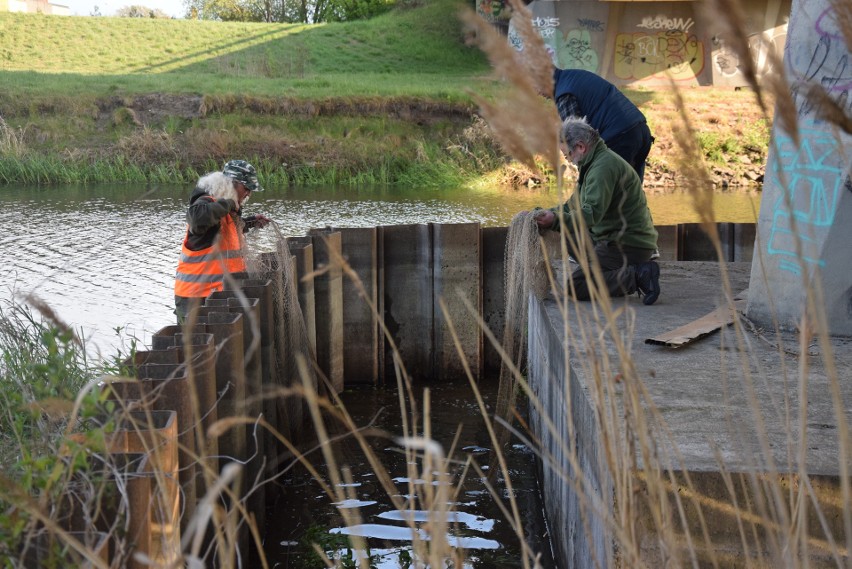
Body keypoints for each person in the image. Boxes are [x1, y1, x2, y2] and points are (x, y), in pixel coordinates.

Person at [532, 117, 661, 305]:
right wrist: (542, 213)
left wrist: (555, 221)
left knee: (575, 287)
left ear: (581, 147)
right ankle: (607, 270)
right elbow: (570, 207)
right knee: (566, 231)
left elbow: (590, 215)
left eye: (567, 155)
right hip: (611, 239)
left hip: (628, 244)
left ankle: (638, 274)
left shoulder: (602, 168)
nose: (568, 160)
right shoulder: (593, 164)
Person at [174, 159, 272, 323]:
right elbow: (197, 219)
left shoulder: (225, 210)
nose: (248, 194)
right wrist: (228, 202)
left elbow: (224, 234)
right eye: (246, 188)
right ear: (231, 183)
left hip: (217, 294)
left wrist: (250, 222)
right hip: (196, 298)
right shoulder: (206, 201)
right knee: (197, 348)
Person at [552, 67, 654, 181]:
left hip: (619, 137)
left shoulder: (563, 95)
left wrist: (584, 180)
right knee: (633, 194)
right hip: (641, 130)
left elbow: (578, 143)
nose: (536, 92)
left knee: (607, 193)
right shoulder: (573, 76)